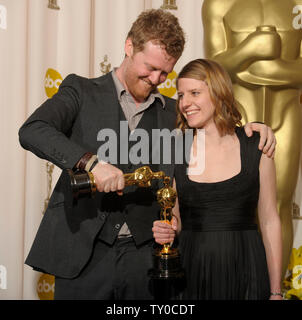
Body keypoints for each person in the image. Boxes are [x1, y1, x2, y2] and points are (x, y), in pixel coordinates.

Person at [19, 9, 275, 300]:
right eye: (150, 67)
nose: (156, 78)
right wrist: (91, 163)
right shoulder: (80, 90)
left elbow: (214, 125)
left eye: (165, 73)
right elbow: (33, 129)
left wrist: (252, 130)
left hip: (145, 262)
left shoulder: (174, 113)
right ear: (129, 47)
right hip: (83, 256)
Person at [152, 59, 283, 300]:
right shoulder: (176, 149)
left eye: (195, 93)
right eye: (181, 95)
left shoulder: (256, 145)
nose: (185, 103)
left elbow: (269, 220)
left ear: (218, 92)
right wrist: (167, 229)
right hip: (192, 271)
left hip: (246, 269)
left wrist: (276, 292)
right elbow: (176, 218)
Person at [202, 0, 302, 276]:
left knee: (280, 204)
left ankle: (275, 290)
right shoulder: (218, 4)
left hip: (287, 114)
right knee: (234, 205)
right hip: (237, 116)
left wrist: (262, 69)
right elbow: (213, 68)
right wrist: (251, 48)